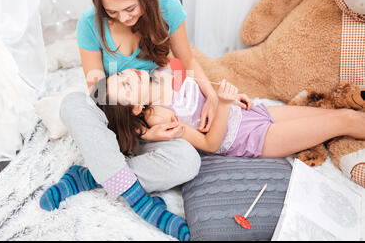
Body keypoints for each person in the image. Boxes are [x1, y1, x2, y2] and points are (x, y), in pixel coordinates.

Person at [39, 0, 219, 241]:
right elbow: (98, 91)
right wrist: (140, 132)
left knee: (188, 160)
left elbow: (187, 60)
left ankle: (89, 176)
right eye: (112, 12)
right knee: (73, 104)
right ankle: (141, 202)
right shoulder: (90, 24)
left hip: (150, 116)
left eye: (130, 9)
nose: (123, 18)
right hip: (118, 120)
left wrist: (211, 96)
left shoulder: (167, 8)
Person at [92, 64, 365, 159]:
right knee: (344, 119)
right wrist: (222, 104)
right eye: (126, 85)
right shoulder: (159, 117)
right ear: (137, 107)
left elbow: (198, 80)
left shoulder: (163, 73)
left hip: (251, 112)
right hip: (251, 139)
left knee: (330, 114)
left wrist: (227, 99)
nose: (130, 74)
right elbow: (210, 143)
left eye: (123, 74)